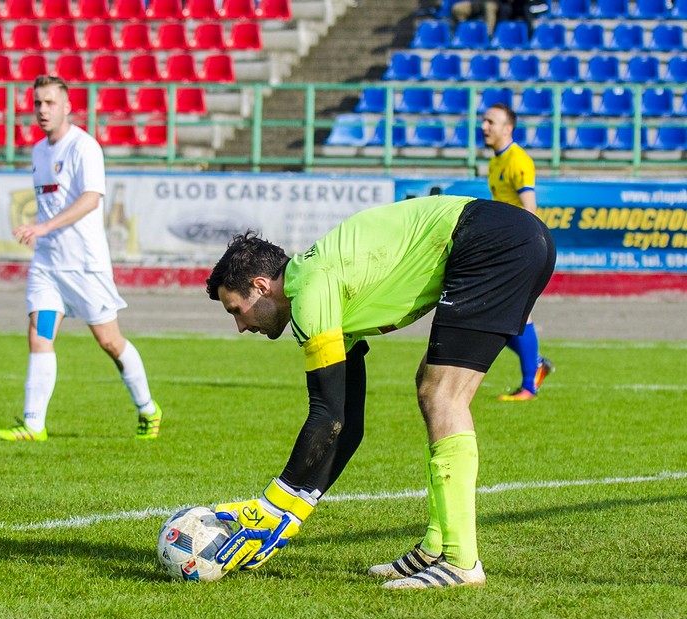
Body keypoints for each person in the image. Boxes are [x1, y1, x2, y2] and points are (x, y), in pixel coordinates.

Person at [205, 195, 555, 589]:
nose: (240, 326)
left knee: (443, 397)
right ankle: (438, 548)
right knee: (431, 387)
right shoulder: (321, 286)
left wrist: (270, 505)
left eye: (236, 310)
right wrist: (294, 512)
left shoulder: (311, 293)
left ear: (261, 286)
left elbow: (326, 416)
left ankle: (460, 561)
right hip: (514, 235)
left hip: (492, 240)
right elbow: (348, 424)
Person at [0, 75, 162, 443]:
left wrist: (43, 226)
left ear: (67, 106)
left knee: (109, 341)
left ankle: (148, 408)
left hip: (85, 265)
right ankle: (33, 425)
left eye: (50, 103)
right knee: (39, 333)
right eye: (37, 103)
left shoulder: (84, 147)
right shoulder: (39, 151)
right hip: (48, 264)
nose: (42, 110)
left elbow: (91, 199)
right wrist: (44, 233)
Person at [481, 102, 554, 401]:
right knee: (495, 316)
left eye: (490, 122)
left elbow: (530, 210)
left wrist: (525, 253)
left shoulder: (518, 161)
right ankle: (535, 366)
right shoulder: (495, 161)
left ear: (507, 129)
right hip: (504, 246)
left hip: (520, 247)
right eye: (484, 121)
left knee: (520, 316)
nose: (484, 126)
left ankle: (529, 386)